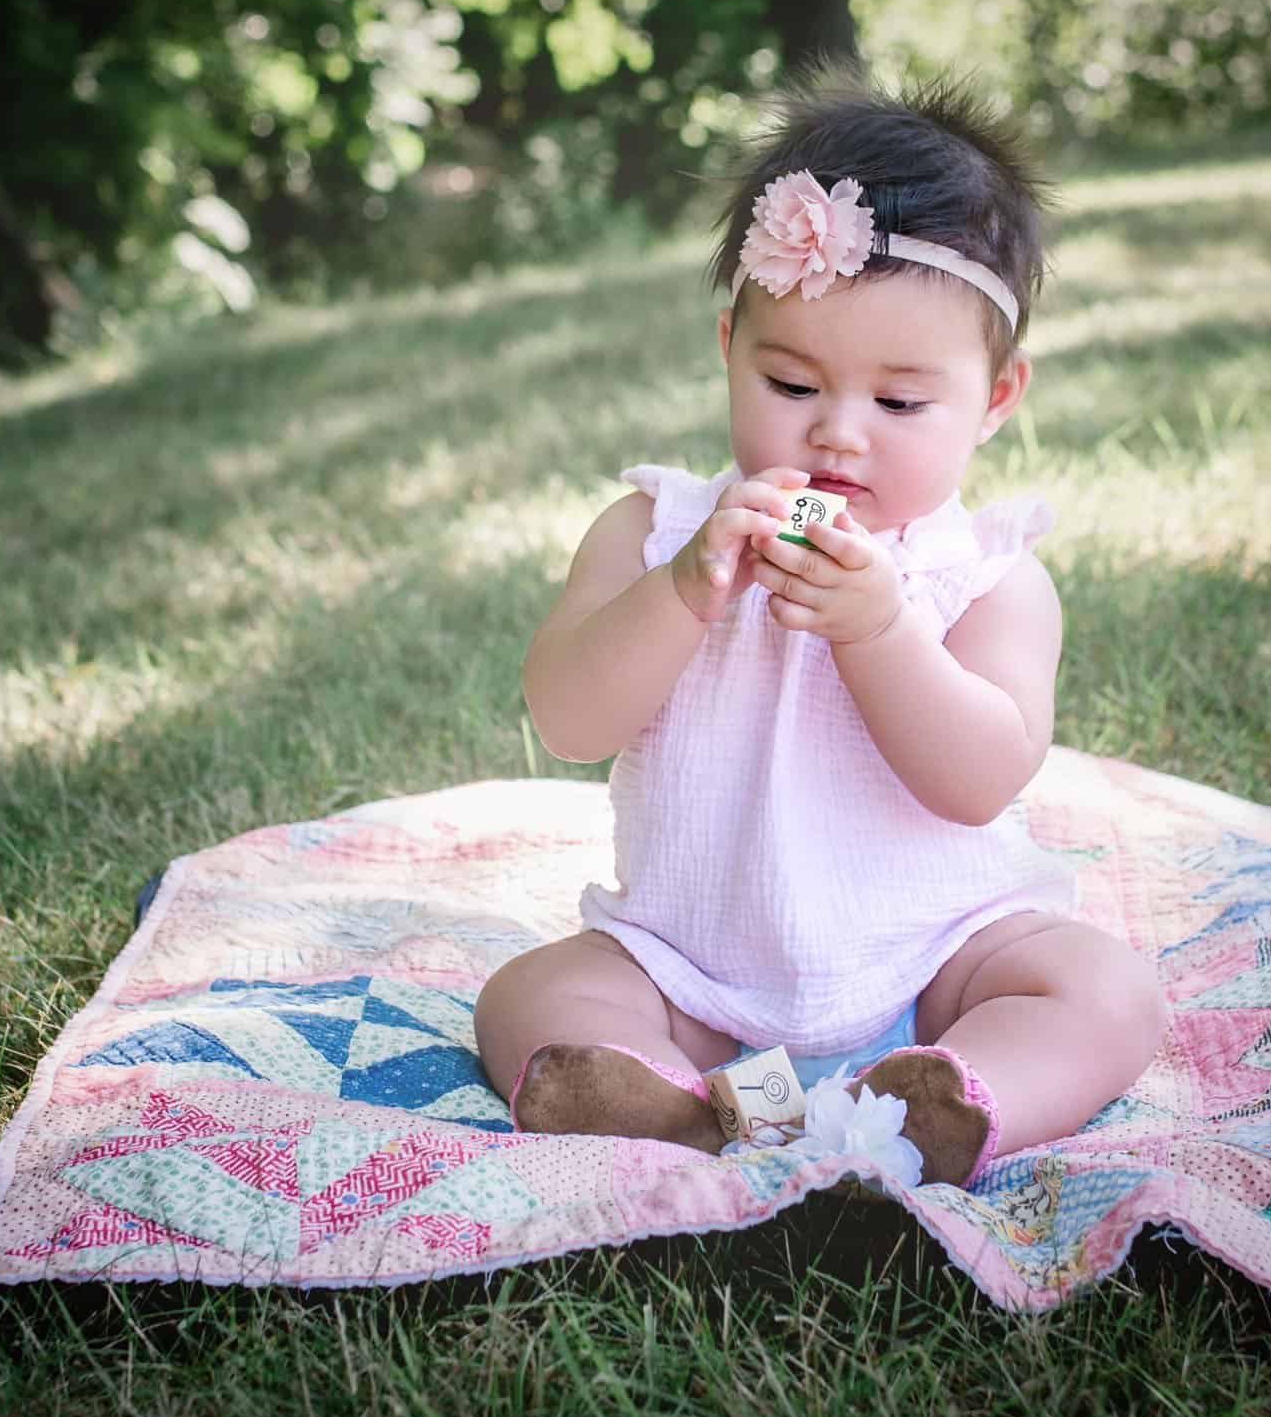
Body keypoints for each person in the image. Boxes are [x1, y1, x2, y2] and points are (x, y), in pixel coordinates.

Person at [473, 71, 1165, 1187]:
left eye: (899, 404)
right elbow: (565, 717)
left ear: (994, 399)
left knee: (1104, 992)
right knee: (530, 996)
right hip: (691, 961)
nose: (839, 434)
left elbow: (977, 778)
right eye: (790, 380)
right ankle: (702, 1109)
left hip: (942, 955)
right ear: (727, 348)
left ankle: (940, 1102)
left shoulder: (982, 578)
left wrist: (879, 629)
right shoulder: (658, 530)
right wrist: (685, 594)